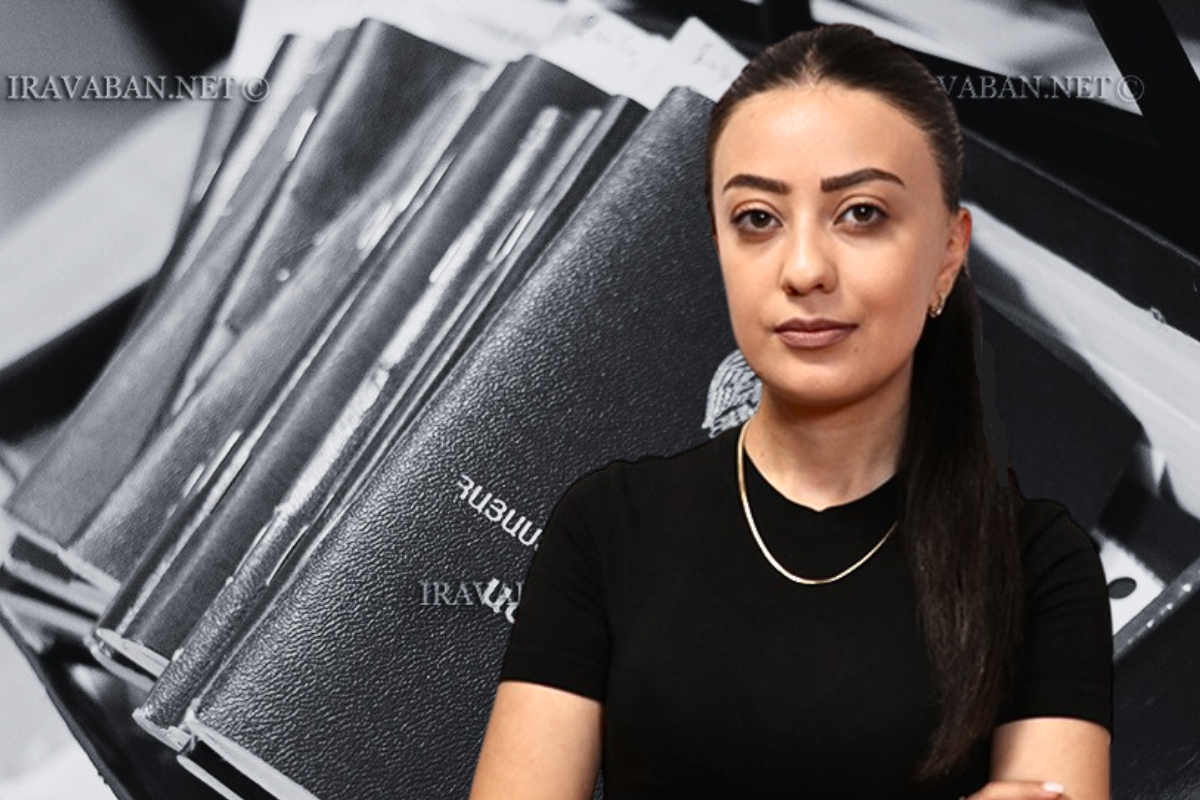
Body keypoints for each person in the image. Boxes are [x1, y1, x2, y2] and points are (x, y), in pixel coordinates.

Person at [469, 22, 1112, 800]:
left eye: (862, 213)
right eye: (758, 219)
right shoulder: (605, 526)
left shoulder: (1039, 566)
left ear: (948, 253)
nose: (804, 269)